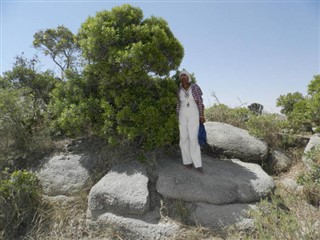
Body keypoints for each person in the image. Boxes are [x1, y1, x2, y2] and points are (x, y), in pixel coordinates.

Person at [176, 70, 205, 174]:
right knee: (183, 137)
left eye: (185, 75)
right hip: (182, 113)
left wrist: (201, 115)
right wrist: (177, 116)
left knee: (193, 138)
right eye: (181, 76)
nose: (183, 77)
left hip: (194, 111)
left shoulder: (195, 87)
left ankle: (197, 164)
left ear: (188, 77)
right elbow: (177, 103)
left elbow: (200, 101)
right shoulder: (178, 89)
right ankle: (187, 161)